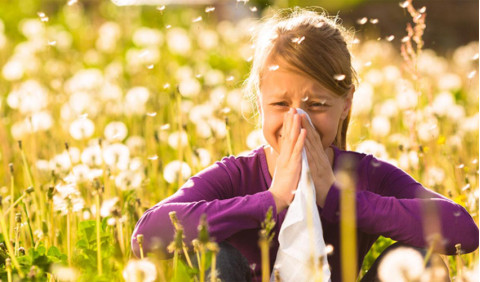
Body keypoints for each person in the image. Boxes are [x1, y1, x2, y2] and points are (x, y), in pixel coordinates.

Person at [131, 8, 479, 281]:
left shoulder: (364, 174)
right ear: (260, 103)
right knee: (215, 255)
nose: (298, 121)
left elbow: (462, 231)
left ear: (345, 104)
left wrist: (338, 199)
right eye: (281, 105)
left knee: (424, 262)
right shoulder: (235, 175)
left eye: (316, 106)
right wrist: (271, 201)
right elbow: (146, 236)